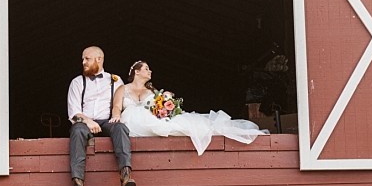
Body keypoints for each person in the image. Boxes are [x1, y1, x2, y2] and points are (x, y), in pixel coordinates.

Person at [113, 60, 269, 155]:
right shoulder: (123, 89)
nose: (150, 71)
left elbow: (161, 108)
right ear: (137, 72)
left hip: (152, 118)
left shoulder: (152, 90)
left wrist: (167, 106)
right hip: (132, 119)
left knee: (187, 125)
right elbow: (117, 106)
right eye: (147, 68)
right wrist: (116, 116)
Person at [66, 46, 136, 186]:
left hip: (107, 121)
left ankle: (126, 177)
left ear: (99, 59)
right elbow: (74, 112)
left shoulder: (116, 80)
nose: (83, 62)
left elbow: (122, 104)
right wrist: (88, 121)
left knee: (121, 128)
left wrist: (117, 115)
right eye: (83, 59)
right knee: (76, 130)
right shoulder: (77, 82)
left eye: (87, 59)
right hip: (84, 122)